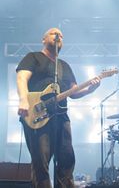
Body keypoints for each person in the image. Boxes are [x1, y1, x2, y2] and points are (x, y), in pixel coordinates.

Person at [16, 28, 101, 188]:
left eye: (61, 35)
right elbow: (21, 78)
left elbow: (74, 92)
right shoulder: (33, 57)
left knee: (66, 159)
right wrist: (23, 100)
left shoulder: (64, 66)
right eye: (54, 33)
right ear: (43, 39)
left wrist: (90, 90)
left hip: (61, 116)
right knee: (41, 163)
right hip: (37, 115)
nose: (58, 36)